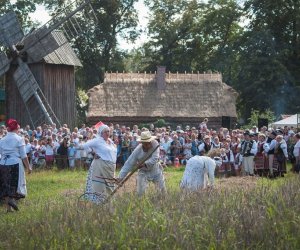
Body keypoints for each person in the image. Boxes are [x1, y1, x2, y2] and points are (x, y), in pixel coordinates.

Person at [118, 130, 166, 196]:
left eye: (149, 143)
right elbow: (128, 164)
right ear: (142, 142)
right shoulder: (137, 150)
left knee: (162, 191)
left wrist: (144, 164)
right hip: (143, 171)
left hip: (156, 170)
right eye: (145, 143)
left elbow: (155, 158)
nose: (148, 145)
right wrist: (120, 178)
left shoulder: (155, 144)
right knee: (140, 193)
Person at [79, 122, 117, 204]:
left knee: (110, 186)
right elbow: (85, 145)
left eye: (108, 131)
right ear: (101, 133)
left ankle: (109, 203)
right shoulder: (98, 140)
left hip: (110, 167)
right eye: (106, 131)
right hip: (100, 165)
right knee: (99, 185)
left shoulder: (110, 141)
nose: (108, 133)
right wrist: (92, 153)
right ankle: (99, 203)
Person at [0, 119, 31, 212]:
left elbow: (1, 153)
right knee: (15, 184)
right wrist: (28, 167)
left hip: (3, 164)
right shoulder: (19, 138)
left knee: (5, 184)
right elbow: (24, 155)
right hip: (15, 163)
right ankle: (12, 201)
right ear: (16, 128)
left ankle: (8, 209)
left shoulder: (2, 139)